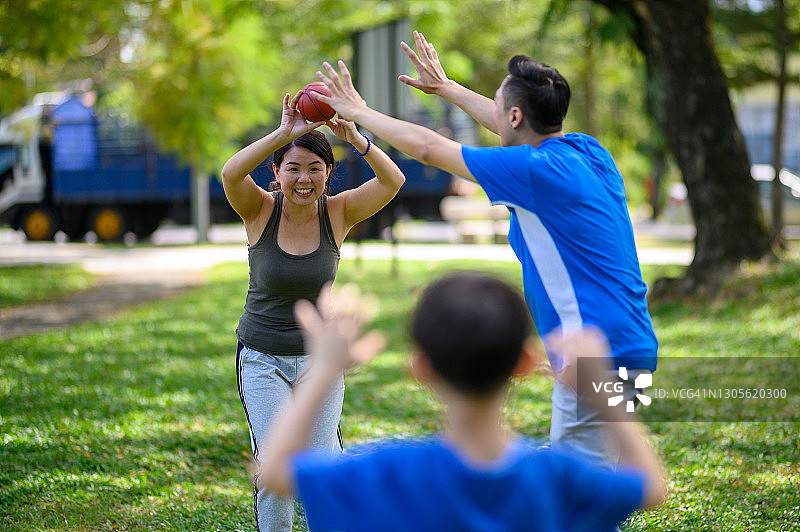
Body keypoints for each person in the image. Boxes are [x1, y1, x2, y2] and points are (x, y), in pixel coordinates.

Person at [312, 32, 658, 465]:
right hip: (629, 343)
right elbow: (507, 124)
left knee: (578, 502)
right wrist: (447, 89)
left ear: (515, 115)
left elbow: (428, 148)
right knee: (595, 484)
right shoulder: (589, 152)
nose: (491, 113)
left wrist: (359, 113)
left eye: (496, 106)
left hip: (596, 354)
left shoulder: (531, 171)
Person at [257, 273, 666, 532]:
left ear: (421, 369)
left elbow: (275, 470)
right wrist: (601, 392)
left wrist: (325, 368)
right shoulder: (558, 478)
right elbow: (650, 487)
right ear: (525, 363)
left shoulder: (386, 473)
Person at [220, 90, 405, 531]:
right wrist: (283, 133)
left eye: (315, 169)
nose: (304, 179)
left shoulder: (338, 213)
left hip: (319, 360)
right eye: (293, 168)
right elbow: (230, 173)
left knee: (326, 468)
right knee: (275, 469)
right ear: (277, 173)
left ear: (328, 174)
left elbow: (393, 181)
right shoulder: (259, 210)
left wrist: (356, 137)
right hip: (262, 358)